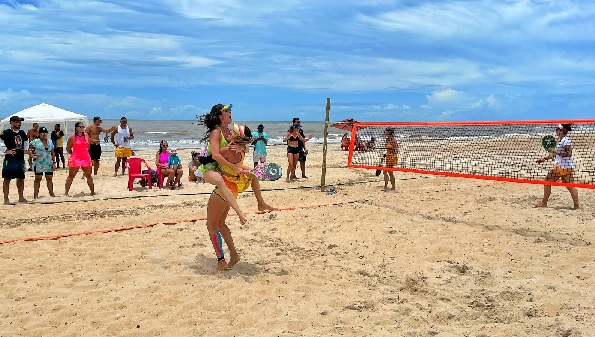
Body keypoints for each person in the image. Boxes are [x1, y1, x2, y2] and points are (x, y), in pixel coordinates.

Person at [197, 104, 275, 225]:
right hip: (210, 164)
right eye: (227, 111)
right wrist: (234, 166)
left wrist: (242, 146)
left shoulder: (230, 131)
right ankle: (239, 212)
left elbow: (247, 149)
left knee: (252, 174)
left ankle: (261, 203)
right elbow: (215, 155)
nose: (230, 112)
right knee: (220, 181)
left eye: (230, 110)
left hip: (224, 161)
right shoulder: (216, 132)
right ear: (220, 116)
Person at [205, 124, 254, 271]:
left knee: (212, 225)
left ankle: (221, 261)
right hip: (232, 189)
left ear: (236, 137)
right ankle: (234, 255)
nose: (229, 133)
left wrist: (198, 165)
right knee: (221, 224)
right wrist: (244, 147)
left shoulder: (228, 150)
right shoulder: (241, 150)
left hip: (223, 189)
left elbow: (212, 156)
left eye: (232, 132)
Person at [535, 123, 580, 209]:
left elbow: (569, 154)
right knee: (570, 186)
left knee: (547, 181)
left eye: (557, 129)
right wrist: (544, 159)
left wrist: (556, 152)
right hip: (566, 167)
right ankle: (576, 206)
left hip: (562, 168)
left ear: (561, 131)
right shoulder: (561, 141)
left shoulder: (565, 140)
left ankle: (544, 203)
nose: (556, 131)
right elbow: (554, 155)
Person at [1, 116, 31, 204]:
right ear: (12, 122)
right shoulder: (6, 133)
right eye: (17, 122)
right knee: (7, 179)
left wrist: (25, 149)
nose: (19, 124)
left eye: (20, 122)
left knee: (21, 178)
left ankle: (21, 197)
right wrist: (6, 151)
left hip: (20, 159)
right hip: (10, 159)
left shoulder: (22, 133)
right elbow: (0, 142)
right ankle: (6, 199)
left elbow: (26, 141)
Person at [64, 121, 95, 196]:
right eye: (80, 127)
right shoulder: (72, 137)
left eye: (83, 127)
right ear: (76, 128)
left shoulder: (86, 136)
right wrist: (74, 155)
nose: (82, 128)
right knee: (71, 176)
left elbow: (88, 147)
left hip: (85, 158)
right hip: (76, 158)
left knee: (89, 176)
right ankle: (66, 193)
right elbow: (68, 148)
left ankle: (92, 192)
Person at [29, 127, 56, 198]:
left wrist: (54, 162)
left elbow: (53, 153)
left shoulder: (50, 141)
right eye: (42, 133)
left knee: (49, 177)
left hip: (48, 162)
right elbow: (29, 151)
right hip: (38, 162)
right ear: (39, 134)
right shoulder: (34, 142)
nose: (44, 134)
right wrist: (31, 158)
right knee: (38, 178)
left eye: (45, 133)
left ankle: (51, 194)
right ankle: (35, 195)